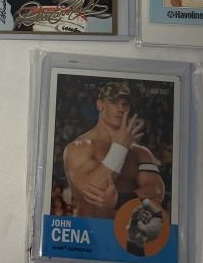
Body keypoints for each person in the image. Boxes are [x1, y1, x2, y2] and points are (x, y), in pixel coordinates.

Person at [63, 82, 165, 219]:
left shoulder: (141, 153)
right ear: (100, 105)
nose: (121, 108)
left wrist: (118, 200)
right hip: (88, 230)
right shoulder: (78, 147)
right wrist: (120, 149)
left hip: (125, 231)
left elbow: (156, 193)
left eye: (125, 104)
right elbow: (94, 191)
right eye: (113, 102)